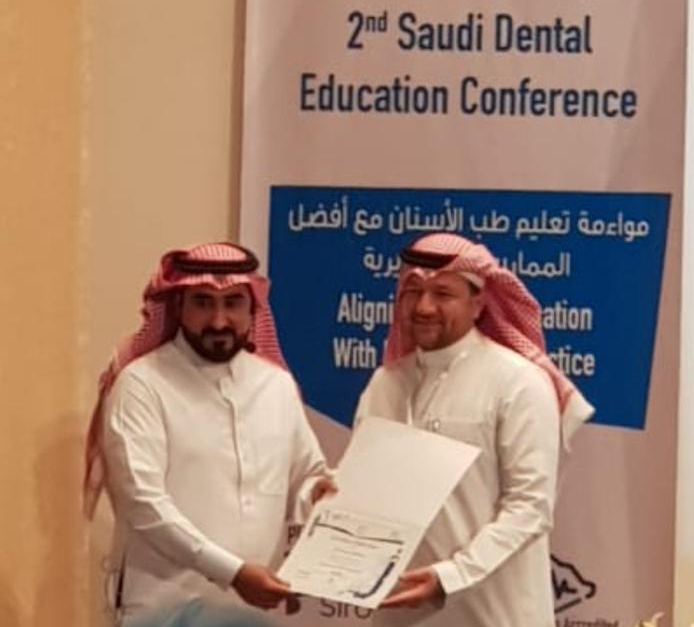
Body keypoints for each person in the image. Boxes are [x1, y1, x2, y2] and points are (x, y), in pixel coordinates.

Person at [354, 233, 594, 627]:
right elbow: (364, 491)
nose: (424, 307)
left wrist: (450, 576)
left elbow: (529, 507)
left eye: (443, 294)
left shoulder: (518, 382)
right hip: (400, 612)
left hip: (494, 614)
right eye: (413, 292)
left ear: (478, 303)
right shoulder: (386, 383)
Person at [85, 242, 330, 625]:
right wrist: (234, 573)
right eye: (203, 302)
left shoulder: (276, 386)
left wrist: (319, 494)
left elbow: (306, 476)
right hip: (162, 611)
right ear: (179, 305)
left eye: (233, 303)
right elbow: (144, 505)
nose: (219, 321)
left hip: (249, 613)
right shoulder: (142, 385)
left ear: (252, 308)